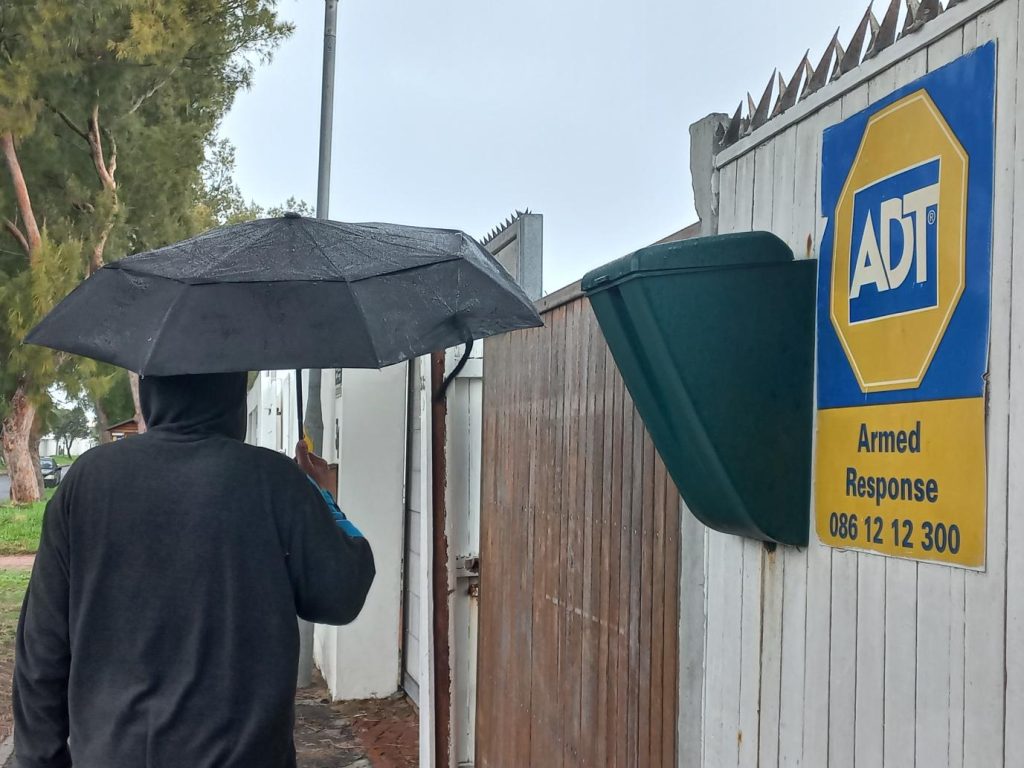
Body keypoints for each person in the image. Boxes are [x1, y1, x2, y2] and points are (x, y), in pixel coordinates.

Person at [13, 372, 375, 768]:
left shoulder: (85, 482)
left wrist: (39, 760)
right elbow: (341, 595)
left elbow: (42, 650)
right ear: (233, 397)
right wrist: (323, 498)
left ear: (151, 395)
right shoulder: (275, 481)